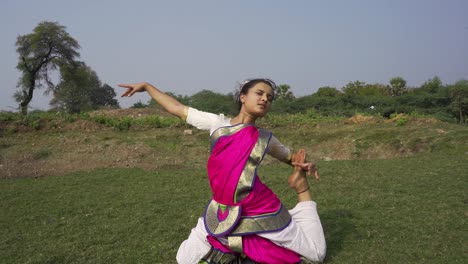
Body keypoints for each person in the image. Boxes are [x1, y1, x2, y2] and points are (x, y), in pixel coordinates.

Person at [119, 79, 326, 264]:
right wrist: (146, 87)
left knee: (315, 254)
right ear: (243, 97)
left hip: (260, 208)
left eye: (269, 98)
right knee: (184, 259)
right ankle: (239, 246)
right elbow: (176, 108)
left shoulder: (265, 138)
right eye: (260, 93)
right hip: (221, 210)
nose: (265, 99)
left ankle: (302, 194)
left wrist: (304, 166)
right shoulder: (217, 125)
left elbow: (291, 157)